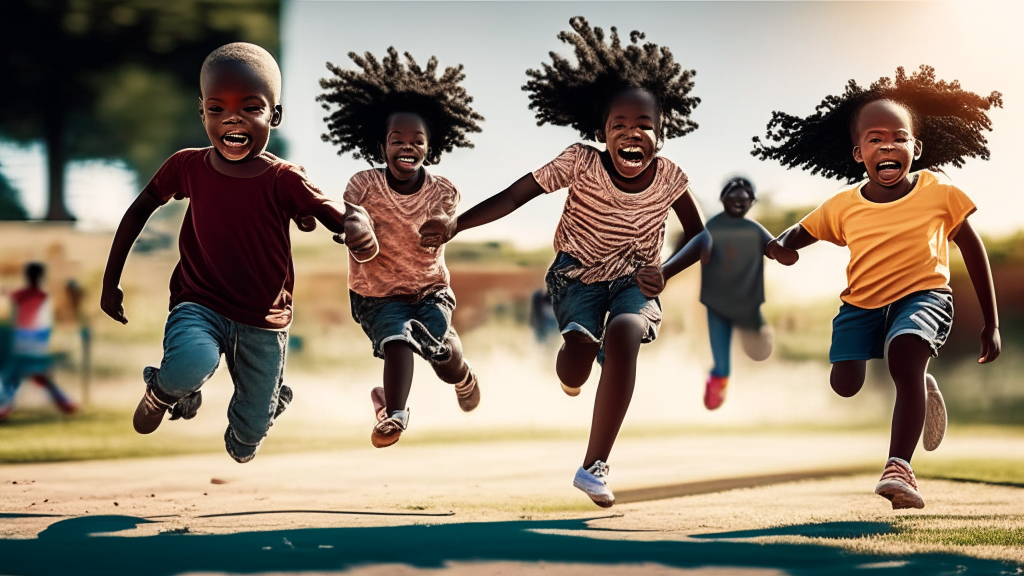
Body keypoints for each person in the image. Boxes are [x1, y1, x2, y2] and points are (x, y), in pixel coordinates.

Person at [427, 17, 709, 507]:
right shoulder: (579, 161)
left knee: (623, 334)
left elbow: (702, 237)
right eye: (619, 125)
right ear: (601, 132)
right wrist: (457, 224)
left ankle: (594, 465)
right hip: (575, 275)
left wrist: (666, 269)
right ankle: (578, 362)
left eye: (644, 125)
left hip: (635, 280)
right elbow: (516, 196)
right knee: (577, 365)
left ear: (661, 136)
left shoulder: (670, 177)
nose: (632, 133)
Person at [100, 42, 377, 463]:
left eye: (250, 108)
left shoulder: (282, 178)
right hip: (199, 304)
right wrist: (110, 280)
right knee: (192, 362)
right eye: (217, 108)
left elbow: (331, 210)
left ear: (274, 116)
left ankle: (265, 404)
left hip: (263, 322)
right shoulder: (187, 166)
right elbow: (139, 209)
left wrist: (355, 224)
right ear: (203, 113)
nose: (232, 117)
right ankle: (165, 391)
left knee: (243, 447)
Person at [754, 66, 1003, 509]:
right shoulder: (844, 204)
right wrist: (782, 246)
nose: (888, 144)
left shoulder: (937, 190)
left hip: (924, 294)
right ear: (858, 153)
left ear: (915, 148)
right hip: (861, 303)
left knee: (903, 353)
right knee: (845, 384)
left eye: (899, 137)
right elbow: (802, 230)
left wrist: (992, 322)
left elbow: (971, 247)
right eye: (875, 138)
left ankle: (899, 467)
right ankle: (920, 385)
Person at [318, 47, 484, 448]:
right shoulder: (363, 183)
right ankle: (394, 412)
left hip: (429, 289)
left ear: (430, 146)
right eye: (397, 140)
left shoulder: (443, 190)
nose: (407, 147)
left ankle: (461, 374)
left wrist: (446, 225)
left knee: (441, 354)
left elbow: (446, 220)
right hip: (376, 295)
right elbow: (353, 213)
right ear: (382, 147)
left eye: (417, 140)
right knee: (397, 339)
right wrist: (355, 228)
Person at [700, 177, 775, 410]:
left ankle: (754, 344)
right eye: (733, 199)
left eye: (744, 200)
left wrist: (787, 250)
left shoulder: (754, 230)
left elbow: (775, 247)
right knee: (722, 363)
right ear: (723, 200)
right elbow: (690, 246)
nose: (738, 204)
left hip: (747, 303)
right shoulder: (710, 227)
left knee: (761, 351)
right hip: (717, 303)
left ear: (752, 202)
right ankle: (718, 379)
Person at [0, 262, 78, 420]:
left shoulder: (20, 296)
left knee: (11, 379)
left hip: (21, 345)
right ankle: (66, 404)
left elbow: (15, 321)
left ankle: (4, 407)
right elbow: (47, 323)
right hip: (39, 345)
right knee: (40, 377)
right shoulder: (44, 296)